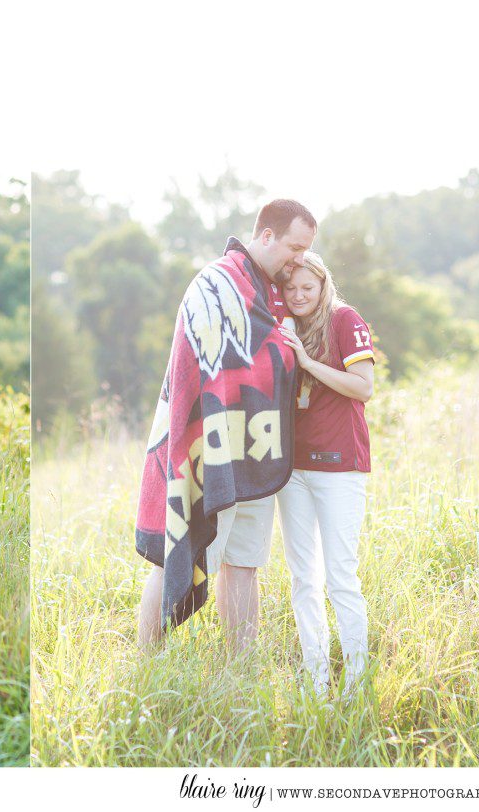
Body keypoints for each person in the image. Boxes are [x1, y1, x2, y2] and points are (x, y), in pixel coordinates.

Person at [137, 199, 317, 653]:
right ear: (267, 235)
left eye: (306, 250)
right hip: (212, 445)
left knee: (245, 562)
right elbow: (208, 360)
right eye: (294, 246)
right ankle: (145, 663)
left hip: (258, 446)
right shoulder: (217, 281)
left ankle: (242, 668)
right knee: (174, 553)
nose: (298, 258)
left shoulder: (275, 287)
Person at [276, 251, 375, 697]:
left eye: (307, 288)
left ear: (322, 285)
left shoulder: (344, 318)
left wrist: (308, 363)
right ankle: (316, 681)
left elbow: (364, 387)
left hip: (340, 466)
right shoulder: (285, 324)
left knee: (340, 575)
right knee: (303, 578)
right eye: (290, 288)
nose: (298, 296)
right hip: (293, 468)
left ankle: (355, 683)